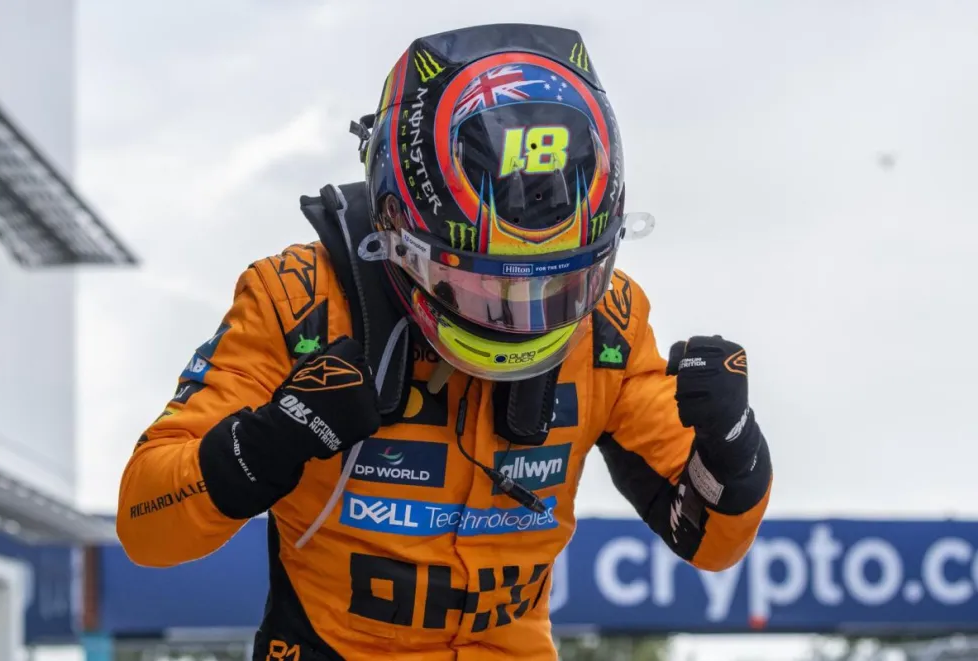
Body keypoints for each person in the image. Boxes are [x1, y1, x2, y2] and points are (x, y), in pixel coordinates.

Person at [117, 23, 773, 661]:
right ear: (398, 233)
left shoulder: (611, 324)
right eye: (486, 288)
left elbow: (711, 542)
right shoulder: (298, 300)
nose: (521, 317)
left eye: (558, 287)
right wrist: (274, 437)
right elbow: (146, 521)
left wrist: (735, 440)